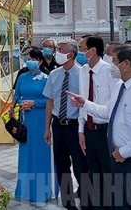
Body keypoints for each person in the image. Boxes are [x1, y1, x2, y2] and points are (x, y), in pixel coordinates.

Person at [68, 46, 131, 210]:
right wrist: (85, 104)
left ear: (126, 64)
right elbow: (109, 112)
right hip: (117, 157)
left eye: (114, 61)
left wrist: (125, 152)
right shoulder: (119, 86)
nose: (111, 65)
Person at [42, 39, 89, 210]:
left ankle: (85, 200)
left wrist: (82, 130)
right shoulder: (54, 74)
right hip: (58, 125)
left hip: (76, 126)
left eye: (60, 50)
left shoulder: (84, 74)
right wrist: (47, 128)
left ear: (70, 54)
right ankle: (68, 202)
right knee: (61, 165)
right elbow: (50, 102)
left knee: (80, 165)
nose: (56, 52)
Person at [10, 48, 53, 203]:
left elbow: (50, 101)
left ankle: (42, 190)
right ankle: (25, 190)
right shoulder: (22, 77)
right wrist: (22, 103)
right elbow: (17, 95)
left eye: (32, 58)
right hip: (25, 118)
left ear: (40, 61)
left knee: (41, 153)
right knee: (26, 153)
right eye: (27, 58)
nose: (29, 61)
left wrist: (34, 103)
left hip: (41, 119)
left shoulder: (46, 79)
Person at [78, 35, 115, 209]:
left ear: (92, 51)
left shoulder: (110, 72)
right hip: (88, 129)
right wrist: (81, 130)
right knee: (93, 172)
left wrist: (85, 104)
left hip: (105, 130)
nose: (79, 52)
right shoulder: (83, 70)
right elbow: (81, 102)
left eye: (82, 49)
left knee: (107, 173)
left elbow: (110, 111)